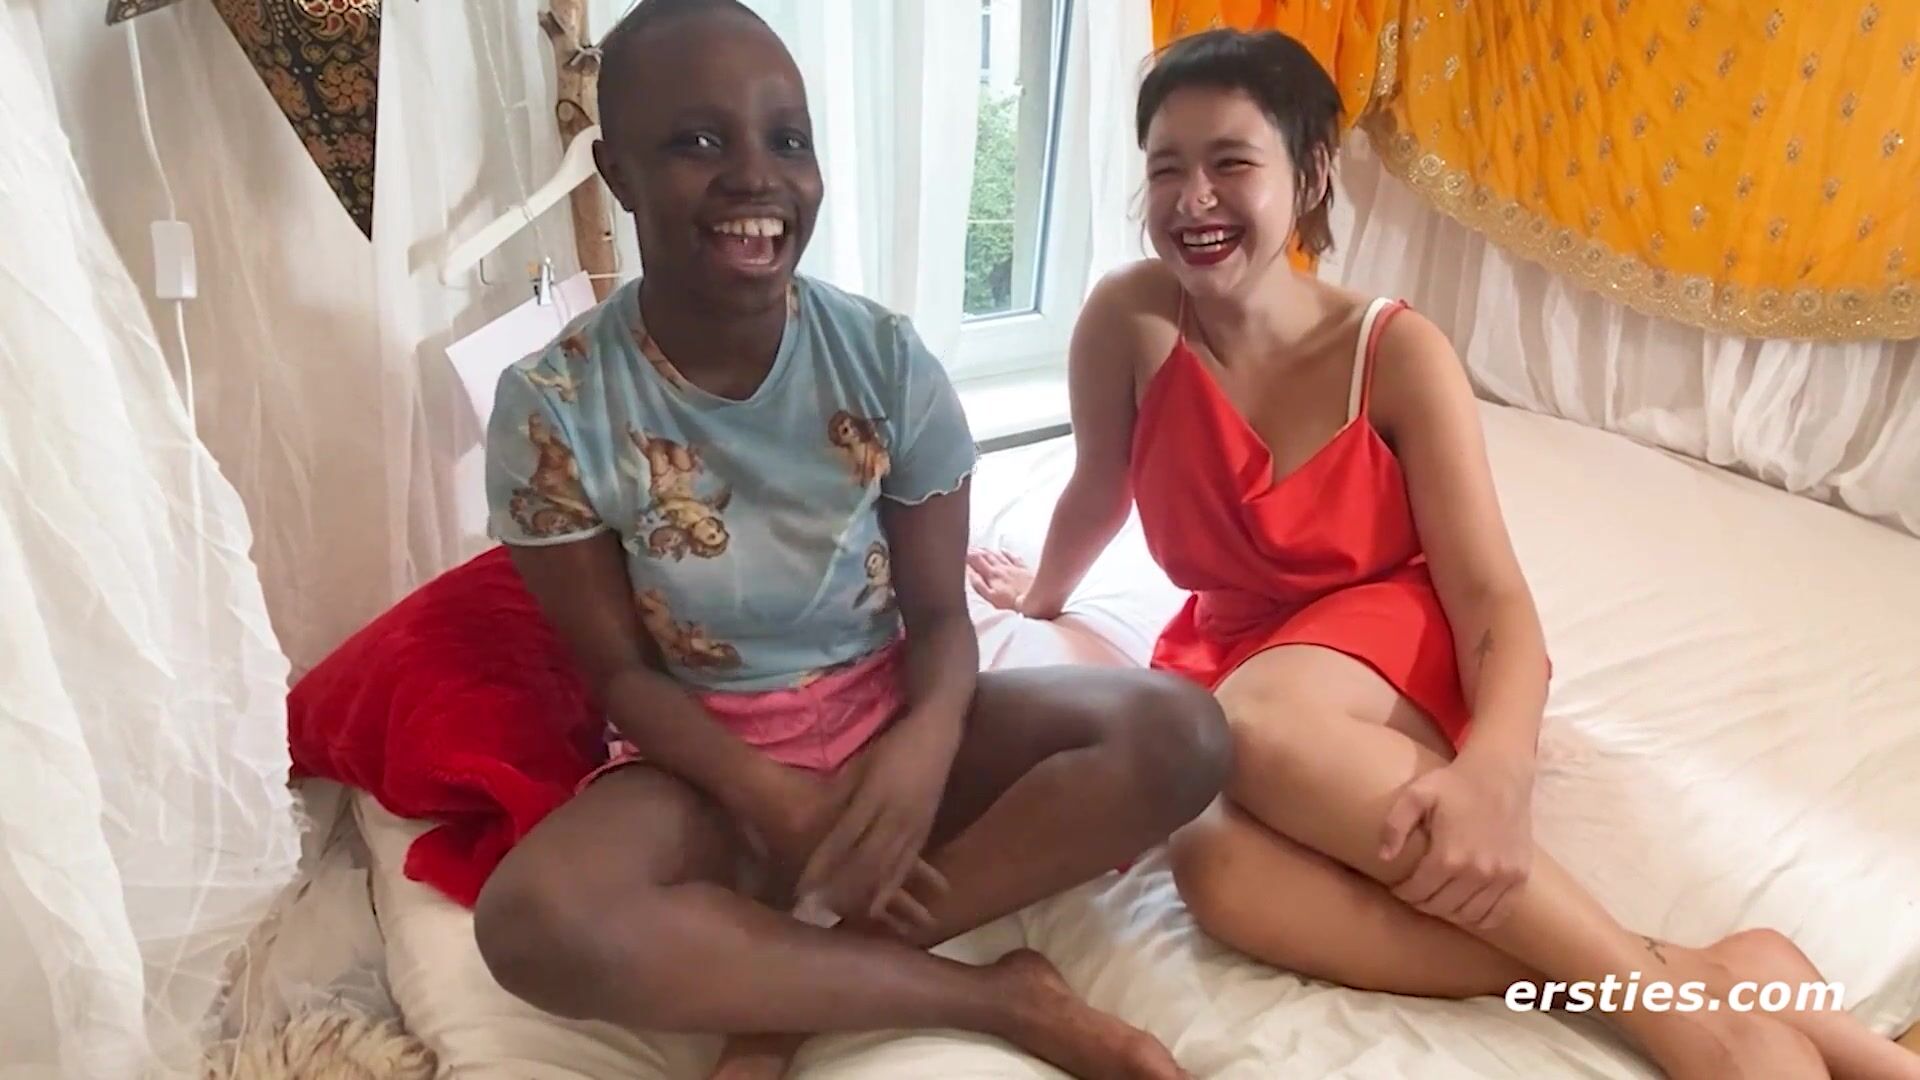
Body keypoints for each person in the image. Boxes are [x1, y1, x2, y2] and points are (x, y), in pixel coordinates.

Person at [969, 27, 1918, 1080]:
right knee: (1213, 869)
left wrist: (1498, 770)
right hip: (1236, 648)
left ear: (1309, 175)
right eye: (1166, 169)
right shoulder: (1128, 319)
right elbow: (1100, 484)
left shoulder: (1394, 352)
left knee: (1255, 724)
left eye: (1232, 162)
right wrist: (1042, 592)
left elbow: (1492, 597)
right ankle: (1704, 973)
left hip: (1391, 639)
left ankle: (1684, 1026)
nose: (1195, 198)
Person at [469, 2, 1231, 1078]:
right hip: (705, 768)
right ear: (618, 172)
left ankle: (786, 990)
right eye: (698, 141)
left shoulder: (883, 359)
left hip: (890, 717)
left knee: (1182, 733)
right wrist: (769, 799)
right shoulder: (553, 405)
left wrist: (922, 751)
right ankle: (995, 997)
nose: (755, 175)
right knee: (532, 922)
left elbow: (941, 621)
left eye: (788, 140)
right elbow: (620, 678)